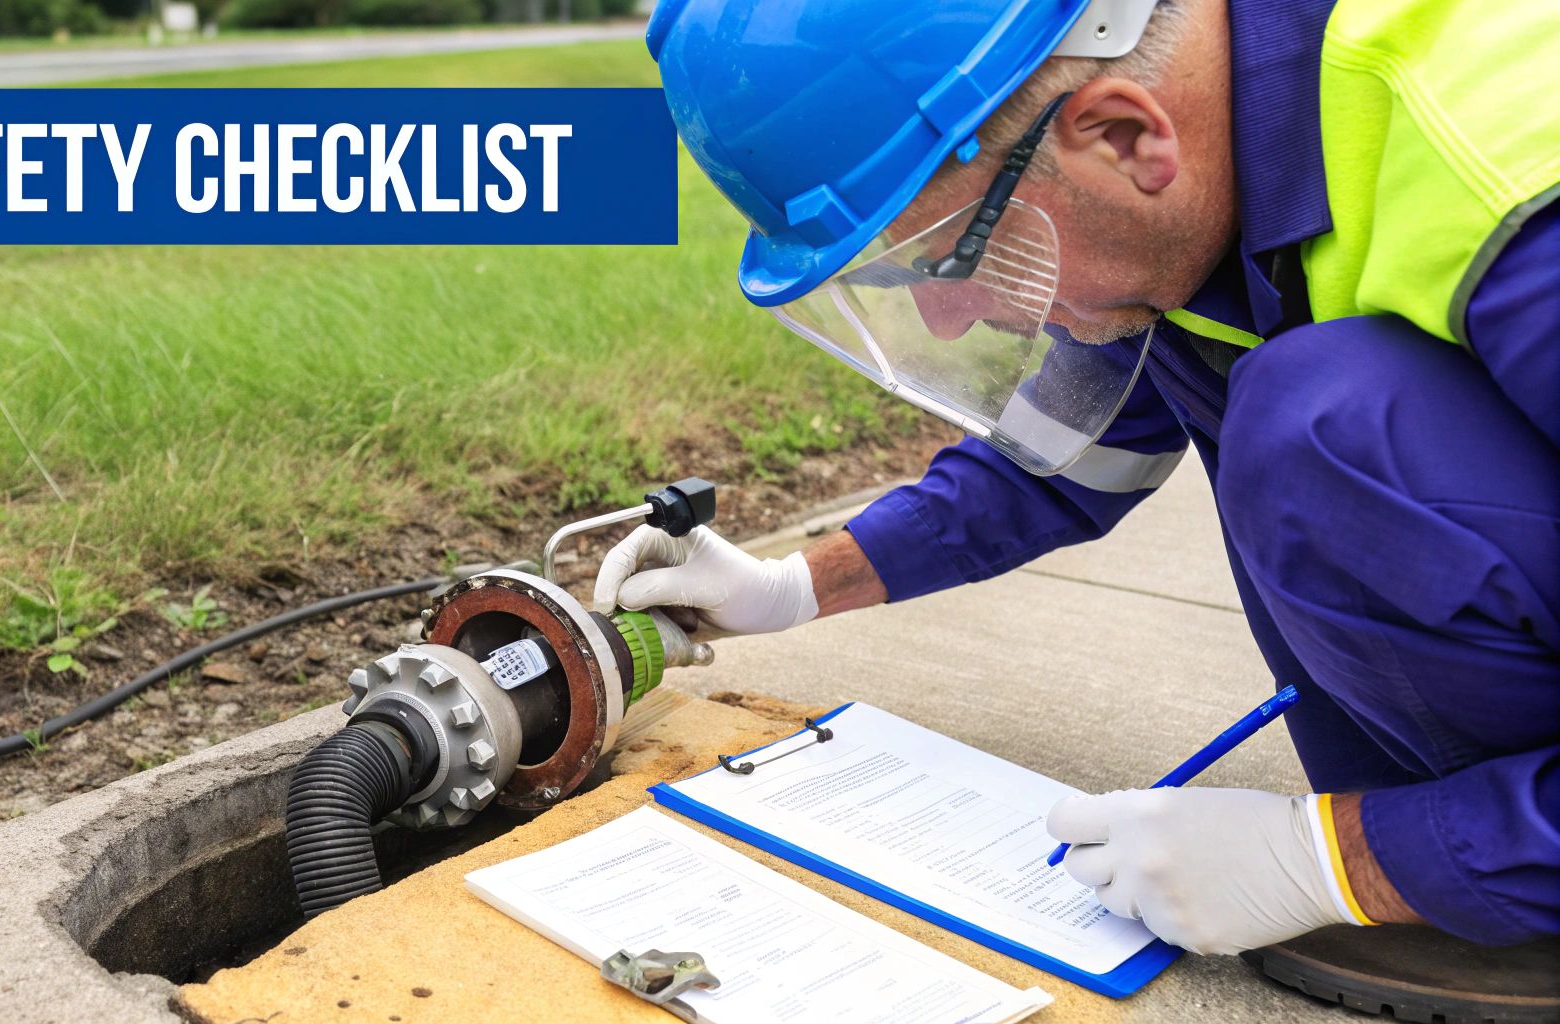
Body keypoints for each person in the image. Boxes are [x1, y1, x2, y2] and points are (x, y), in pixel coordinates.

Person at [598, 0, 1559, 961]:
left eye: (958, 255)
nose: (945, 322)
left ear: (1123, 132)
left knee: (1323, 425)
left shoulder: (1517, 187)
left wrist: (1346, 859)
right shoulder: (1184, 203)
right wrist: (793, 585)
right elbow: (1059, 463)